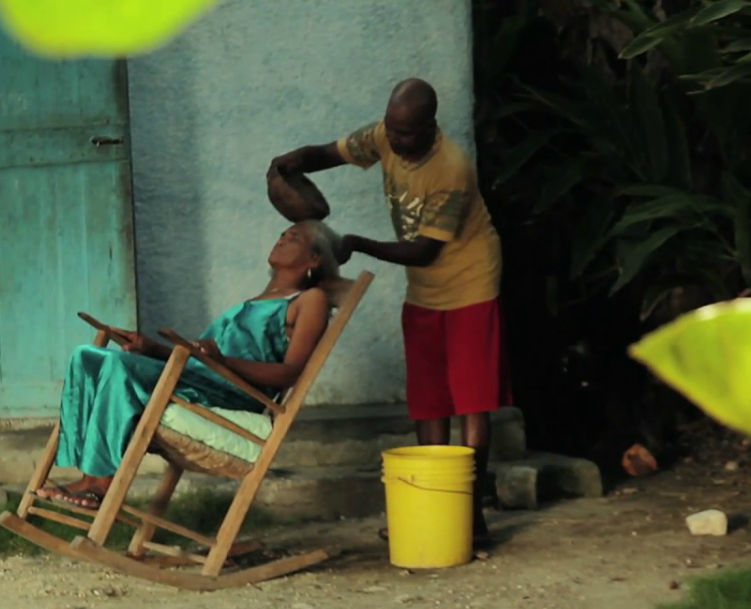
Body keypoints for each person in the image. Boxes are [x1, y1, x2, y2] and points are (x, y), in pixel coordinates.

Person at [270, 78, 508, 546]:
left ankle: (469, 509)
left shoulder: (452, 168)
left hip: (470, 282)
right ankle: (433, 503)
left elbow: (424, 252)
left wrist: (356, 243)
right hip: (425, 291)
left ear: (430, 127)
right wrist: (291, 162)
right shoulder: (384, 134)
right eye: (392, 132)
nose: (395, 142)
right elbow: (330, 153)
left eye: (405, 134)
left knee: (471, 400)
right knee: (429, 398)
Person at [37, 221, 342, 508]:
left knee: (117, 367)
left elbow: (291, 374)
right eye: (282, 234)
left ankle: (101, 484)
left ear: (314, 259)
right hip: (201, 378)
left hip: (232, 392)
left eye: (294, 238)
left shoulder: (310, 299)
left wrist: (222, 361)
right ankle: (88, 474)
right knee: (86, 357)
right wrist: (150, 348)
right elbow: (197, 363)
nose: (282, 239)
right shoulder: (256, 301)